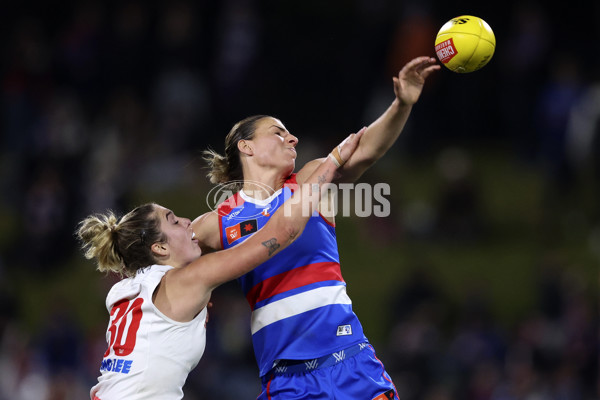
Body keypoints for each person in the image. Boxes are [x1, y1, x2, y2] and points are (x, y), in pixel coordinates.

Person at [192, 56, 440, 399]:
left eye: (291, 133)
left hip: (353, 366)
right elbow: (166, 265)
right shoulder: (216, 223)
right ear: (245, 146)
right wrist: (197, 295)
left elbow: (366, 149)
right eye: (278, 132)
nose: (291, 138)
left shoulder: (310, 180)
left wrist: (401, 104)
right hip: (287, 382)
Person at [76, 129, 364, 400]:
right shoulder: (189, 279)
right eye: (174, 221)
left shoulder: (125, 292)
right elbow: (282, 232)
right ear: (159, 248)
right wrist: (332, 163)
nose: (187, 221)